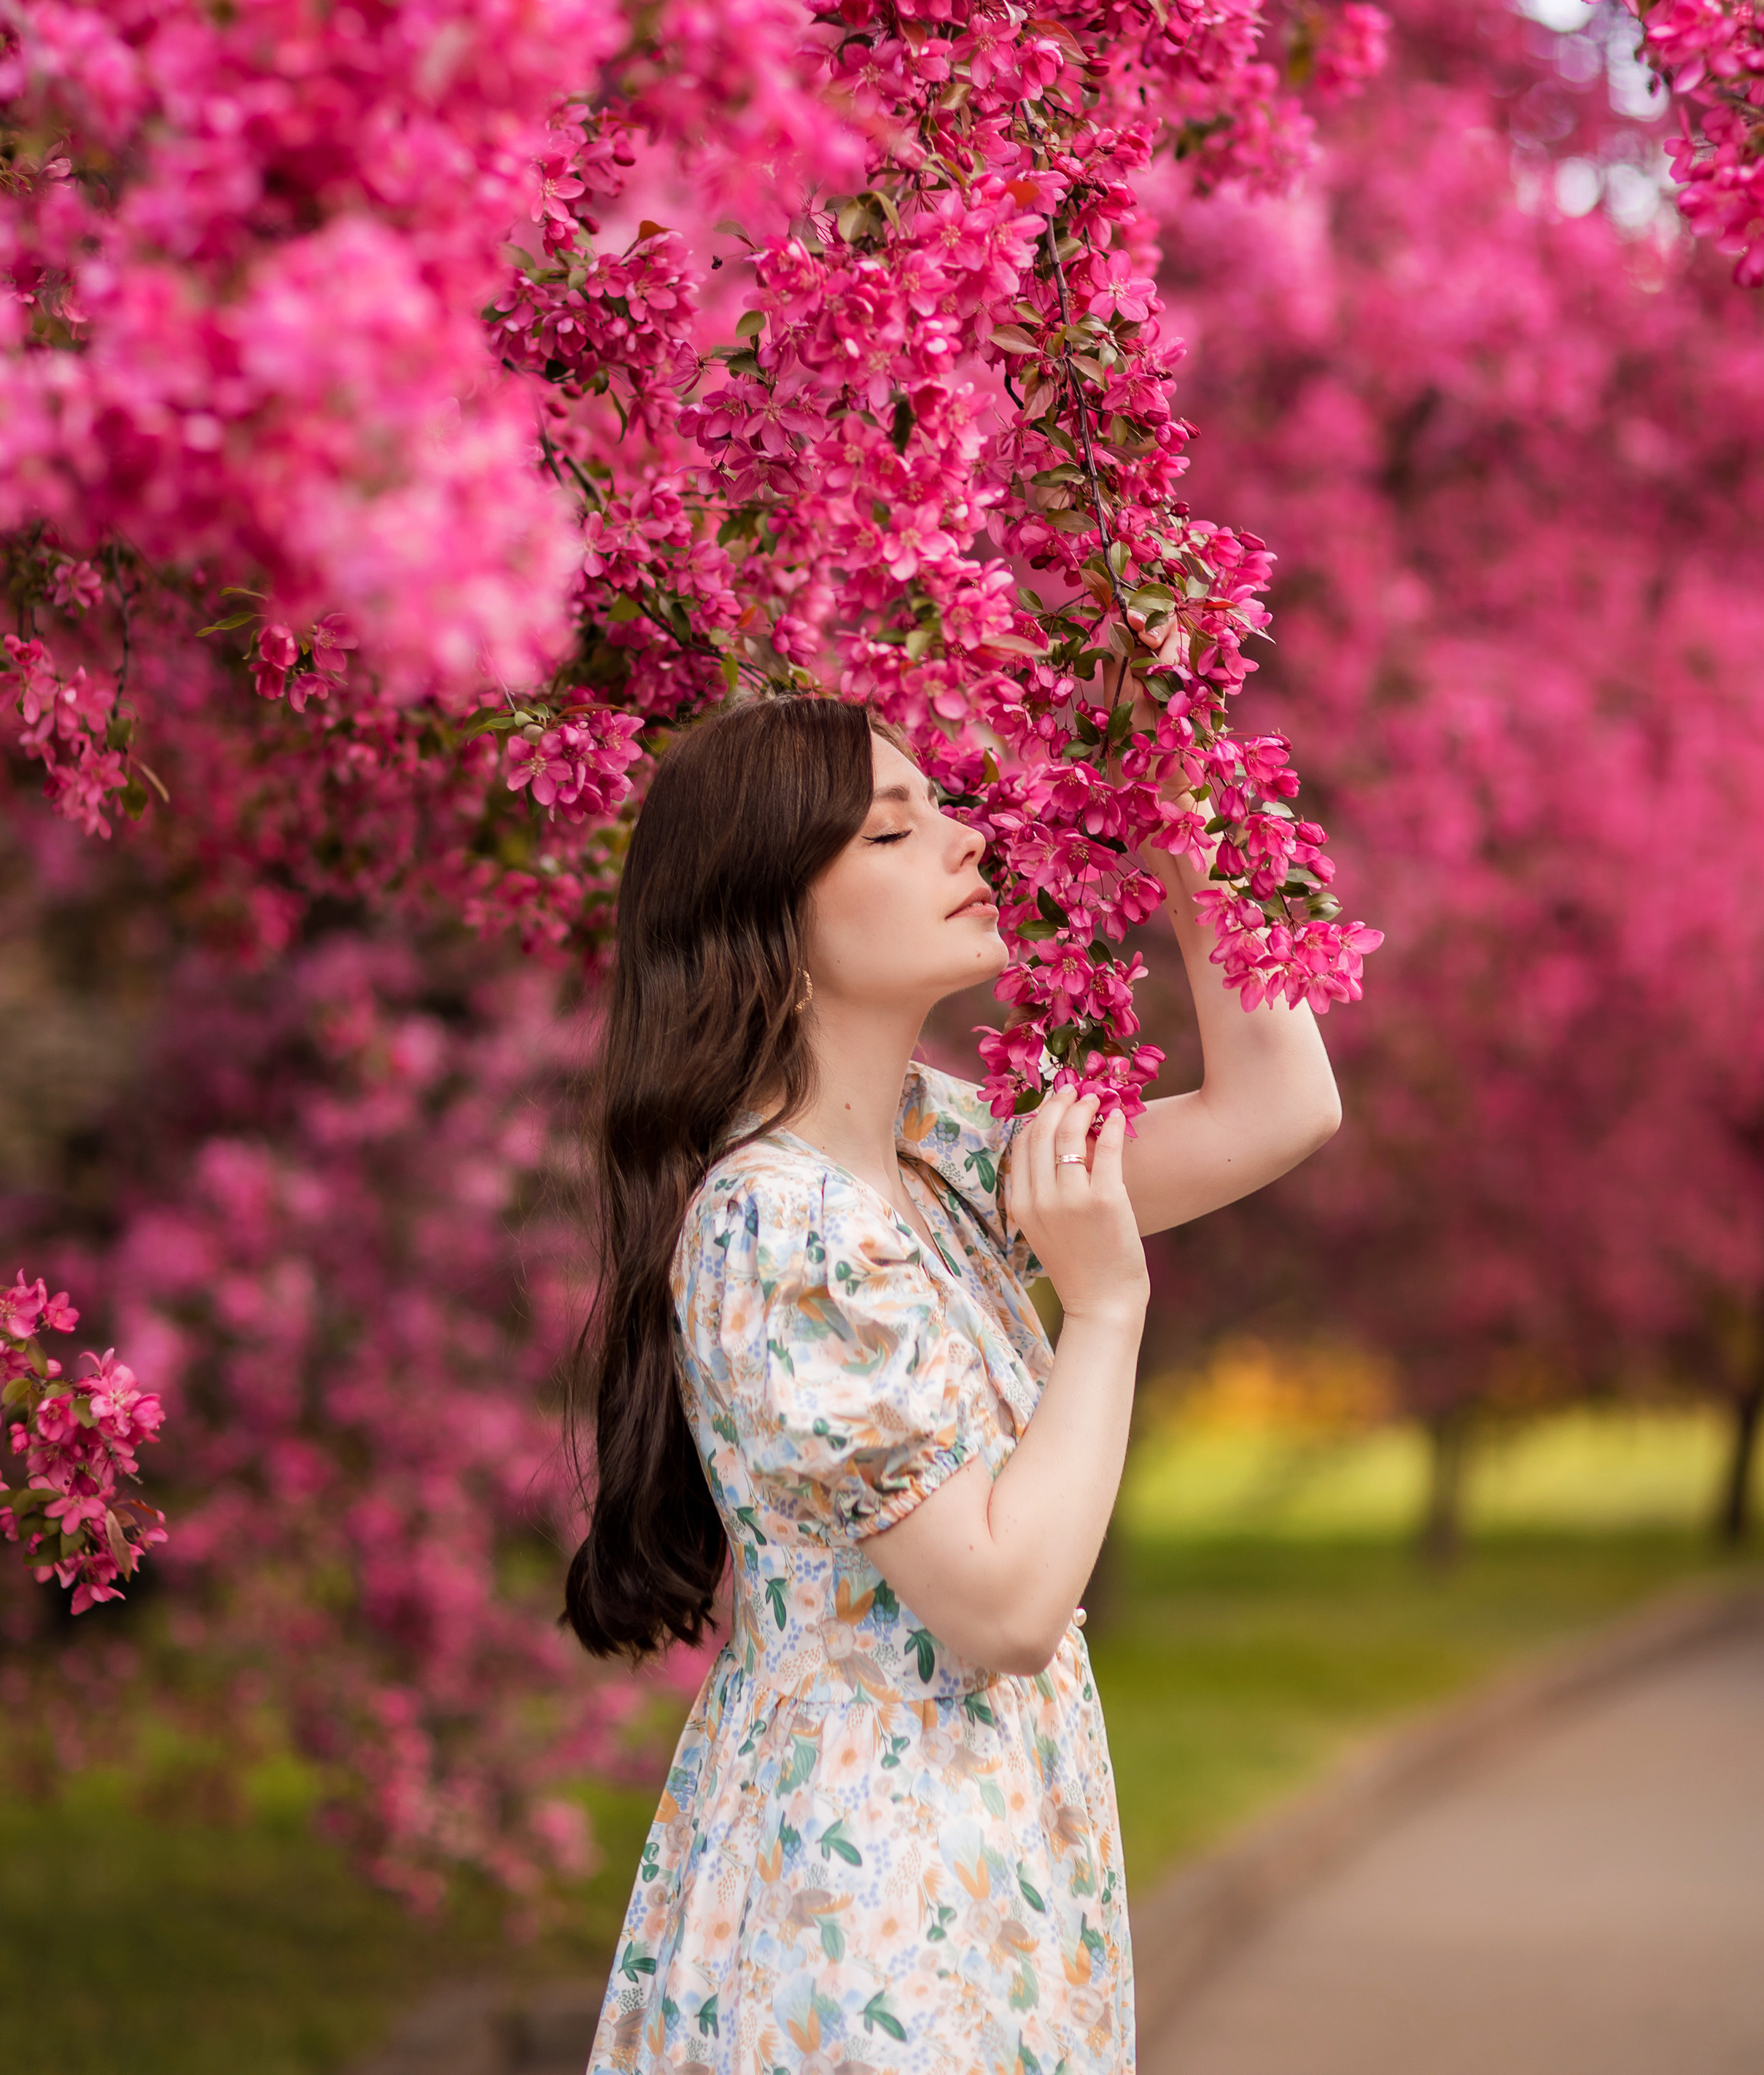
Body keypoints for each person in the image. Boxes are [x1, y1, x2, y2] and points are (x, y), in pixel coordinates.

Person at [567, 692, 1341, 2074]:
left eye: (944, 806)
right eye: (892, 828)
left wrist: (1186, 791)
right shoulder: (778, 1225)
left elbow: (1279, 1108)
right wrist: (1106, 1308)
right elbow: (1000, 1608)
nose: (964, 840)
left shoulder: (929, 1159)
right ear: (774, 918)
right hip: (872, 1902)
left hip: (981, 1864)